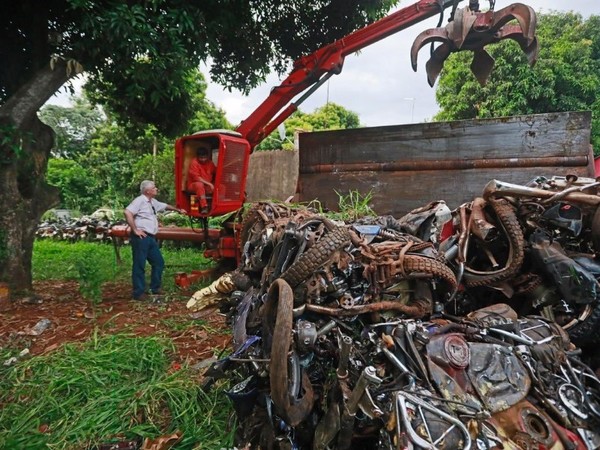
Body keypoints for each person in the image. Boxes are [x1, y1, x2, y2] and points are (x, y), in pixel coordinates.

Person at [124, 180, 186, 301]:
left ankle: (155, 288)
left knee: (158, 262)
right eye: (154, 188)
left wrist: (178, 210)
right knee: (139, 264)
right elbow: (127, 212)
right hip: (141, 237)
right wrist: (135, 230)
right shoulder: (140, 200)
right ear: (148, 191)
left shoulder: (152, 202)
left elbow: (165, 206)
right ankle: (138, 293)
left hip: (151, 237)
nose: (156, 189)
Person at [187, 145, 216, 214]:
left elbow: (216, 171)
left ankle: (217, 205)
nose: (203, 159)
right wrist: (210, 184)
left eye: (205, 157)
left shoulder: (210, 163)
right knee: (199, 185)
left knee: (221, 187)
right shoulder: (194, 163)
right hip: (193, 185)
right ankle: (204, 207)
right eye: (201, 158)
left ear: (207, 156)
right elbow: (197, 178)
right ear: (197, 157)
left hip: (206, 186)